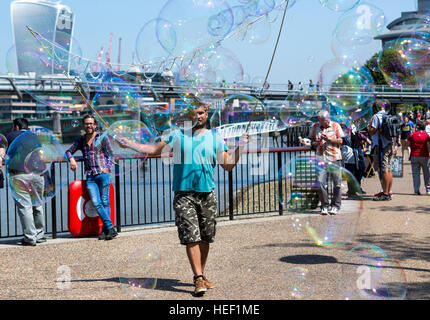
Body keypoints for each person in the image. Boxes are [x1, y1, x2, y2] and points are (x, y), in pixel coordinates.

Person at [121, 104, 249, 296]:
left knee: (206, 238)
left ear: (206, 115)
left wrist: (240, 147)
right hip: (183, 193)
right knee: (191, 236)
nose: (197, 116)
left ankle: (201, 274)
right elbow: (155, 149)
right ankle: (198, 278)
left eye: (200, 113)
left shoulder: (215, 137)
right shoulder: (177, 134)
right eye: (193, 113)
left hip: (207, 193)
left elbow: (228, 165)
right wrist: (131, 144)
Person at [66, 114, 118, 241]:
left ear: (95, 125)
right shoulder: (81, 140)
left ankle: (107, 230)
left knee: (105, 202)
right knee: (96, 202)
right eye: (86, 124)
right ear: (83, 126)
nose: (89, 126)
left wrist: (107, 168)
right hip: (90, 176)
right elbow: (68, 151)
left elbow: (111, 155)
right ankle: (110, 228)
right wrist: (71, 159)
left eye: (91, 124)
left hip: (103, 175)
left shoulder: (102, 138)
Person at [5, 118, 46, 246]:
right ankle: (39, 235)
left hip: (19, 175)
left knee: (25, 207)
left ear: (16, 127)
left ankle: (30, 238)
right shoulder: (35, 137)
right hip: (37, 175)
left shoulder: (11, 136)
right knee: (37, 205)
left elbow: (3, 152)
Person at [308, 110, 344, 215]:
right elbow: (311, 142)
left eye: (327, 120)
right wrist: (317, 142)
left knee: (337, 183)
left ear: (329, 118)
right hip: (321, 158)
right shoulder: (314, 127)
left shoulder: (336, 125)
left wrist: (329, 140)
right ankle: (324, 205)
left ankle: (335, 206)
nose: (325, 122)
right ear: (319, 120)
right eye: (323, 121)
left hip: (334, 158)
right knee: (320, 183)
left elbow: (341, 141)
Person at [367, 99, 398, 201]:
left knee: (384, 169)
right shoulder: (388, 116)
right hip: (389, 144)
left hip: (381, 146)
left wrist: (370, 124)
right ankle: (388, 192)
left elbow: (372, 131)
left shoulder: (376, 117)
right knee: (389, 169)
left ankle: (385, 193)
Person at [407, 120, 430, 195]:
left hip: (414, 156)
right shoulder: (426, 136)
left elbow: (408, 144)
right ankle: (428, 189)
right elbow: (428, 146)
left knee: (416, 173)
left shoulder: (412, 135)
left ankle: (416, 190)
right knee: (426, 173)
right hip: (424, 156)